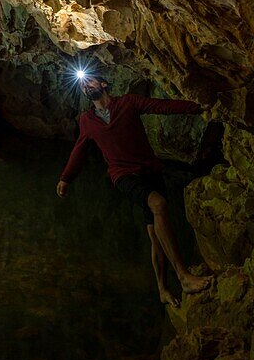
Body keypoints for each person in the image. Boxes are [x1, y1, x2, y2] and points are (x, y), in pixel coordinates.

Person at [56, 73, 212, 306]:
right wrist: (66, 178)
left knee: (156, 235)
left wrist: (197, 107)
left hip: (150, 172)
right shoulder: (87, 121)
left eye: (90, 81)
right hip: (123, 176)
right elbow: (79, 150)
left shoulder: (128, 103)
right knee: (158, 204)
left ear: (104, 83)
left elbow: (160, 106)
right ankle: (183, 276)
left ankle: (162, 290)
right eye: (83, 85)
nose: (86, 86)